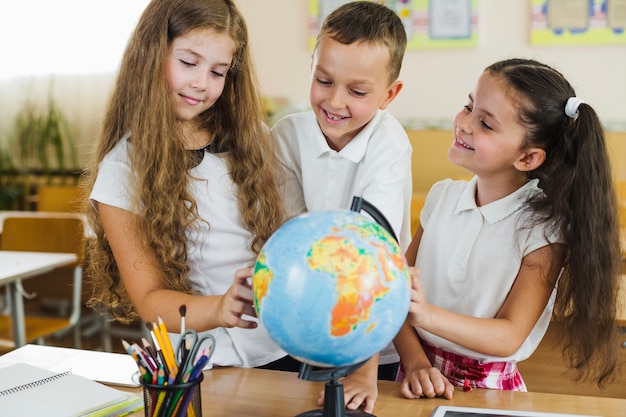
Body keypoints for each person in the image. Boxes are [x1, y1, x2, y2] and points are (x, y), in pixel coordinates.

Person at [82, 0, 298, 371]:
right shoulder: (121, 170)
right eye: (188, 63)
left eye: (218, 72)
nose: (202, 83)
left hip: (288, 344)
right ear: (151, 55)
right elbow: (150, 300)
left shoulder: (254, 139)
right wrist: (219, 307)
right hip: (206, 362)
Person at [394, 58, 621, 400]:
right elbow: (395, 295)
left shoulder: (544, 228)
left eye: (485, 123)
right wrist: (415, 363)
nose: (465, 124)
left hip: (490, 393)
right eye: (468, 106)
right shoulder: (442, 197)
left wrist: (424, 313)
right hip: (414, 377)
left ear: (528, 158)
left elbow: (509, 337)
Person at [271, 1, 412, 412]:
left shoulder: (389, 144)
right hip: (306, 317)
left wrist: (364, 369)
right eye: (323, 80)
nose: (334, 101)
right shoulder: (286, 136)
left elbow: (374, 257)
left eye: (357, 91)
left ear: (389, 94)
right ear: (312, 67)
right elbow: (289, 237)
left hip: (372, 330)